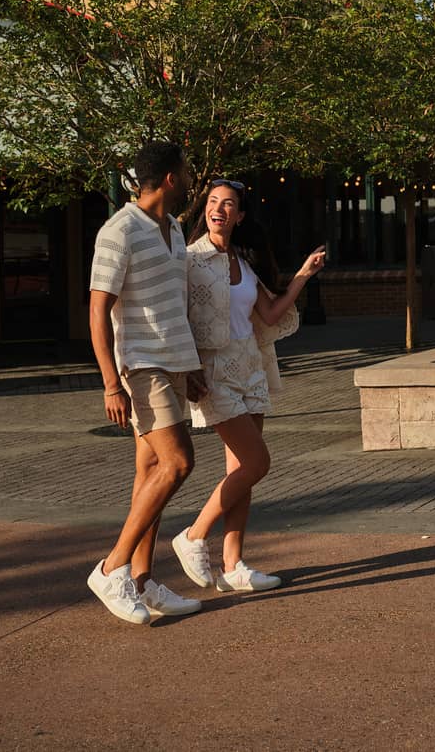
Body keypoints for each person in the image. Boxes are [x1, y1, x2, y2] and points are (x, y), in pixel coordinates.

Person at [171, 178, 326, 593]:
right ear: (206, 210)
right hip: (214, 371)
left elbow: (271, 314)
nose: (218, 209)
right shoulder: (189, 261)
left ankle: (234, 564)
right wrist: (187, 370)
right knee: (258, 462)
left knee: (242, 470)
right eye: (213, 202)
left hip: (251, 369)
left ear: (240, 216)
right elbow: (178, 317)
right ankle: (193, 535)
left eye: (228, 204)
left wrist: (303, 275)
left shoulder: (242, 261)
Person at [86, 141, 208, 624]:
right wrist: (110, 383)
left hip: (174, 363)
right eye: (188, 169)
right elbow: (97, 309)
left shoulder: (175, 228)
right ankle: (111, 568)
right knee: (178, 463)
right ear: (171, 178)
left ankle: (141, 581)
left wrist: (191, 364)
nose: (192, 176)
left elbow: (173, 306)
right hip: (142, 366)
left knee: (150, 474)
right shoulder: (119, 230)